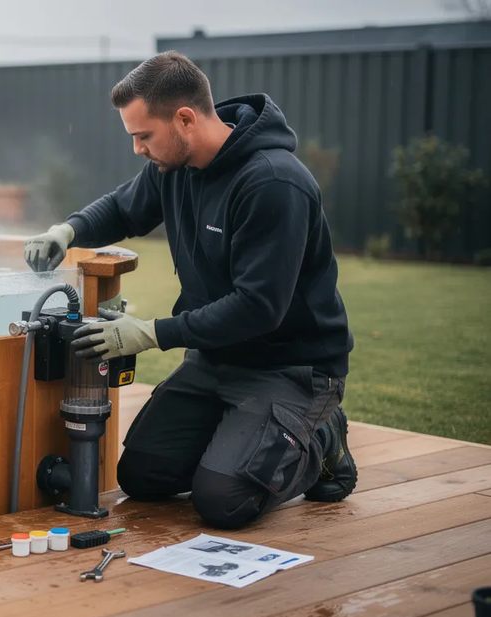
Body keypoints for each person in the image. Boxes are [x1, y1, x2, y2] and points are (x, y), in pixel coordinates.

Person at [23, 51, 356, 531]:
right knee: (142, 476)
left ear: (184, 119)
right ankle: (244, 440)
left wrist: (152, 333)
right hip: (215, 360)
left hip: (291, 369)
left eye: (143, 136)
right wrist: (67, 230)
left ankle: (322, 436)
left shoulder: (274, 183)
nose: (138, 149)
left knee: (224, 500)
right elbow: (122, 208)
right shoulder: (172, 168)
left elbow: (258, 308)